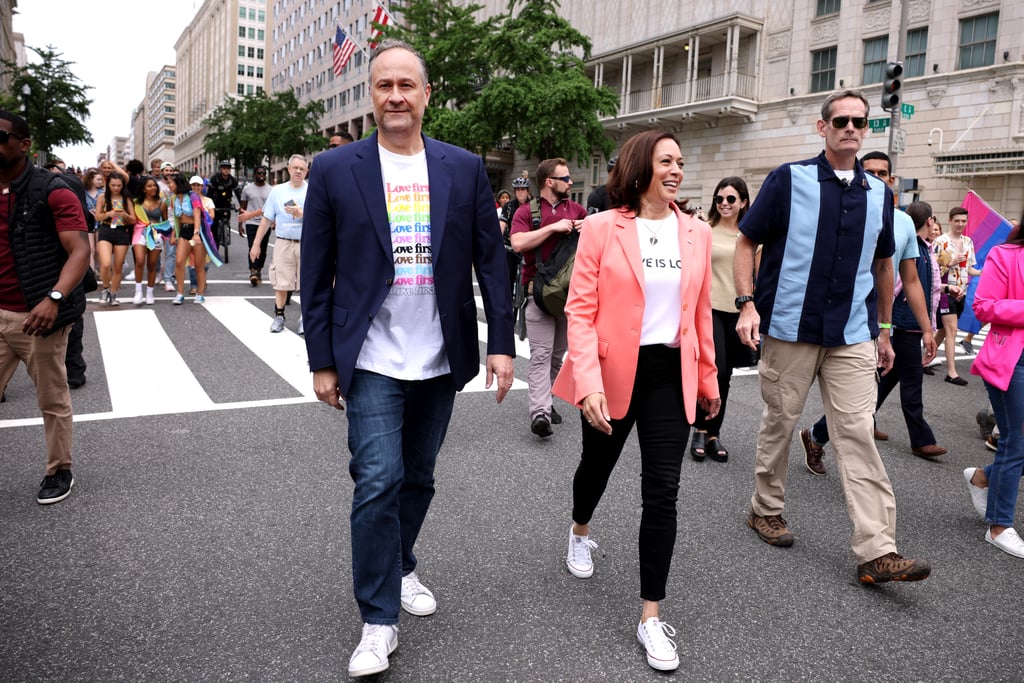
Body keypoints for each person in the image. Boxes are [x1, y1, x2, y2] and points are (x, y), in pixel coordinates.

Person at [300, 40, 514, 678]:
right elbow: (315, 274)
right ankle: (378, 618)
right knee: (376, 479)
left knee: (417, 476)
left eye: (406, 85)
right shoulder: (336, 170)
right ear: (371, 95)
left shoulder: (463, 167)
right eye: (383, 85)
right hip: (367, 355)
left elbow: (491, 262)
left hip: (440, 355)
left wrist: (501, 341)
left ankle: (401, 562)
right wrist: (322, 360)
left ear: (426, 95)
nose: (395, 95)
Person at [734, 90, 931, 584]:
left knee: (858, 433)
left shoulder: (880, 195)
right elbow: (746, 241)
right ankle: (766, 507)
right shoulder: (788, 179)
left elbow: (884, 266)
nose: (850, 127)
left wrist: (885, 330)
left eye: (858, 121)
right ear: (822, 127)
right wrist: (746, 302)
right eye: (840, 120)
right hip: (789, 327)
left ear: (867, 130)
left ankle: (877, 550)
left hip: (852, 334)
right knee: (781, 421)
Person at [551, 129, 719, 672]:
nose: (676, 169)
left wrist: (708, 380)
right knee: (596, 467)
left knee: (662, 492)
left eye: (681, 161)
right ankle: (580, 529)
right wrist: (589, 381)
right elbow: (580, 310)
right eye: (666, 160)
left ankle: (651, 617)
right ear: (641, 165)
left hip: (670, 373)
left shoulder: (695, 231)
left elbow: (698, 314)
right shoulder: (602, 227)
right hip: (612, 370)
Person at [800, 153, 940, 473]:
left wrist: (927, 328)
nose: (877, 177)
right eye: (871, 171)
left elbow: (911, 277)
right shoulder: (843, 208)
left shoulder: (902, 221)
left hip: (890, 320)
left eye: (884, 173)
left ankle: (827, 437)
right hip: (855, 321)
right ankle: (827, 437)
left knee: (894, 382)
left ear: (891, 180)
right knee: (868, 393)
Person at [0, 109, 90, 504]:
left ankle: (59, 470)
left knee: (52, 399)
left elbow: (79, 250)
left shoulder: (52, 190)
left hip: (37, 317)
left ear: (23, 144)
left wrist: (54, 298)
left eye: (1, 136)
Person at [510, 158, 587, 437]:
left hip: (569, 298)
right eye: (565, 178)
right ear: (549, 183)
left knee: (557, 357)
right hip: (537, 295)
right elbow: (518, 243)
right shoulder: (526, 212)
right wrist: (553, 228)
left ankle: (547, 399)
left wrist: (585, 228)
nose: (570, 182)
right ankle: (539, 413)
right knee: (541, 355)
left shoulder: (578, 210)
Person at [963, 218, 1024, 558]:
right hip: (1014, 361)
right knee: (1017, 439)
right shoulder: (1006, 254)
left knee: (1018, 444)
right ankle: (999, 526)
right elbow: (983, 306)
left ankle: (984, 477)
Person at [689, 176, 754, 463]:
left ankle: (714, 433)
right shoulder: (705, 230)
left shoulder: (752, 235)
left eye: (730, 199)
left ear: (743, 202)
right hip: (709, 309)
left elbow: (758, 278)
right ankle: (699, 429)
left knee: (725, 376)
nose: (724, 204)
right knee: (715, 368)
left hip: (738, 311)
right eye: (719, 199)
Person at [250, 155, 307, 334]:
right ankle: (279, 316)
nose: (298, 171)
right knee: (281, 282)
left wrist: (302, 213)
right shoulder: (277, 191)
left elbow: (322, 218)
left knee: (308, 283)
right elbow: (267, 220)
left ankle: (305, 318)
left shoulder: (313, 190)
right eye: (295, 167)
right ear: (288, 169)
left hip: (307, 244)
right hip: (283, 242)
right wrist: (256, 244)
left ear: (306, 171)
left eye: (302, 169)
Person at [932, 206, 978, 382]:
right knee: (952, 330)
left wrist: (984, 272)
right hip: (946, 290)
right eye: (957, 220)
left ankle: (921, 361)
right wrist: (950, 262)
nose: (960, 224)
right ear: (950, 220)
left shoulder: (968, 242)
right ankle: (952, 373)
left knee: (944, 331)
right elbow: (934, 269)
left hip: (961, 292)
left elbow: (969, 268)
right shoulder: (940, 241)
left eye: (963, 221)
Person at [169, 173, 214, 304]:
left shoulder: (192, 196)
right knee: (179, 262)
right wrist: (173, 235)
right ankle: (179, 293)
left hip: (197, 232)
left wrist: (196, 233)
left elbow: (197, 215)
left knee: (199, 265)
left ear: (178, 184)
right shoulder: (174, 199)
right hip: (183, 231)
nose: (169, 185)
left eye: (171, 183)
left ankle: (200, 293)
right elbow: (176, 219)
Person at [94, 172, 134, 306]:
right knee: (105, 264)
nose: (116, 188)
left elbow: (133, 219)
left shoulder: (126, 198)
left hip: (122, 231)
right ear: (108, 184)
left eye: (119, 185)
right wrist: (109, 214)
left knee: (118, 267)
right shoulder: (102, 197)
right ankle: (105, 288)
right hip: (105, 230)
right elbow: (97, 217)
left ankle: (113, 292)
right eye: (113, 185)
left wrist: (125, 215)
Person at [129, 177, 166, 305]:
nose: (153, 188)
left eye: (154, 186)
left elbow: (165, 222)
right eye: (149, 186)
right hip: (140, 233)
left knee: (152, 264)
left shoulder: (162, 203)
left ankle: (149, 293)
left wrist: (166, 236)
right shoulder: (136, 203)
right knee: (139, 261)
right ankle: (138, 291)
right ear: (144, 189)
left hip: (156, 234)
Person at [238, 166, 272, 287]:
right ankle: (253, 271)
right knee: (252, 246)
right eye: (259, 173)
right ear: (255, 175)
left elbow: (273, 208)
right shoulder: (247, 189)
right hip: (251, 222)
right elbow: (243, 206)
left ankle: (259, 270)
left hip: (265, 223)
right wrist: (240, 224)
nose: (261, 175)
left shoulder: (270, 189)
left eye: (263, 173)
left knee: (262, 248)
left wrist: (274, 222)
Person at [207, 160, 238, 242]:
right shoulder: (215, 178)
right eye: (224, 168)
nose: (226, 170)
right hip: (216, 204)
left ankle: (226, 229)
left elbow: (238, 193)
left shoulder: (233, 180)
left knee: (227, 218)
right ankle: (215, 243)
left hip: (227, 203)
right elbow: (209, 193)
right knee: (214, 226)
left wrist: (241, 206)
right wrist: (208, 205)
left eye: (228, 168)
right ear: (221, 169)